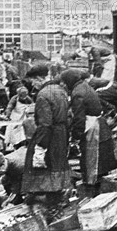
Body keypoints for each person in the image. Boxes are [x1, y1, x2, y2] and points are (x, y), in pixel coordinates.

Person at [60, 69, 117, 194]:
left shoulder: (77, 93)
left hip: (92, 126)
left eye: (64, 82)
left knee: (91, 158)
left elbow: (79, 118)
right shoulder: (84, 86)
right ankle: (99, 183)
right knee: (100, 158)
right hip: (99, 123)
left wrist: (76, 136)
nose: (64, 85)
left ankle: (92, 188)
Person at [21, 63, 71, 207]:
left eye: (33, 82)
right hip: (62, 134)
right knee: (58, 166)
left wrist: (40, 147)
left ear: (38, 78)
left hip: (50, 136)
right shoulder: (59, 90)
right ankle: (59, 197)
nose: (33, 86)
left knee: (42, 168)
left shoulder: (42, 95)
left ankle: (48, 202)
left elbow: (45, 124)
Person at [4, 86, 34, 150]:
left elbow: (32, 109)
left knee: (22, 133)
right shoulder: (14, 99)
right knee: (10, 132)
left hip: (23, 117)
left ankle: (21, 145)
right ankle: (9, 145)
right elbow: (9, 107)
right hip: (14, 117)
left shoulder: (29, 100)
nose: (23, 98)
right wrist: (7, 115)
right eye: (21, 96)